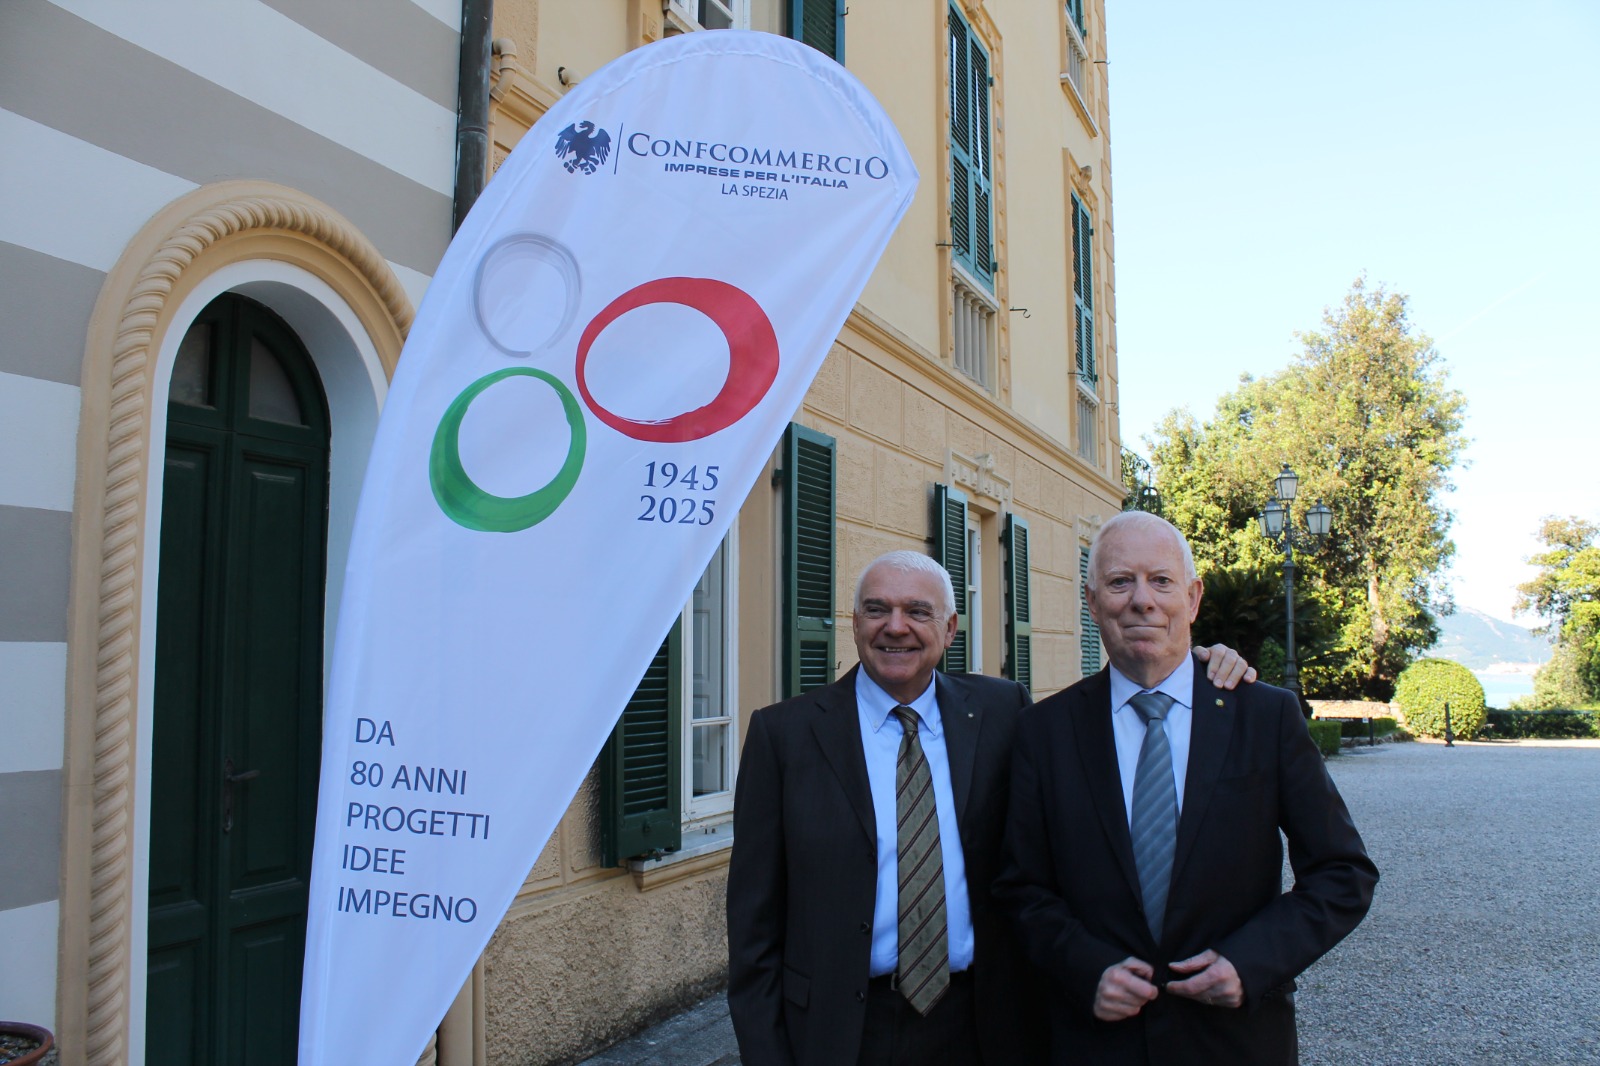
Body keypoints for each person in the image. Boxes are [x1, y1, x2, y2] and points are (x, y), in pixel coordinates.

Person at [727, 549, 1254, 1066]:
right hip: (840, 1030)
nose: (896, 626)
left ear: (951, 628)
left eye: (918, 611)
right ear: (855, 623)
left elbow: (1052, 835)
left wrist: (1197, 663)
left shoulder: (1003, 712)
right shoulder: (784, 736)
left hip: (984, 1024)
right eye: (877, 609)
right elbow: (754, 928)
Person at [998, 512, 1378, 1065]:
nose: (1142, 600)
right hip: (1096, 1042)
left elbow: (1343, 873)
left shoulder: (1264, 716)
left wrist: (1250, 962)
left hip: (1234, 1040)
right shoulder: (1044, 731)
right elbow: (1021, 888)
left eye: (1161, 580)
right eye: (1120, 582)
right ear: (1092, 602)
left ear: (1193, 598)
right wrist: (1085, 968)